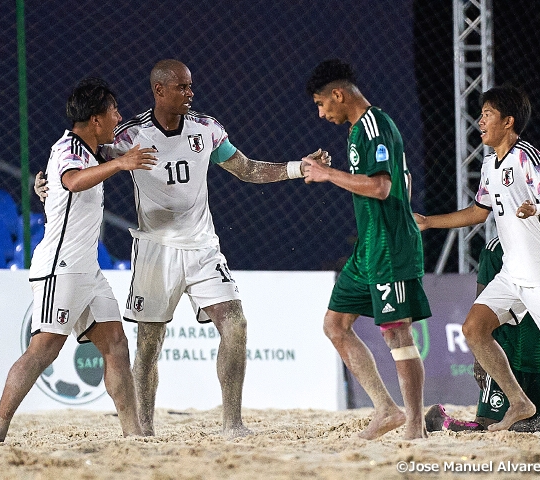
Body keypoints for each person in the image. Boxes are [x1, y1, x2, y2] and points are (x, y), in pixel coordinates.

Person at [36, 59, 328, 438]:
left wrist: (297, 168)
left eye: (191, 87)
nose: (190, 94)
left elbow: (247, 169)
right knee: (149, 345)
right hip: (156, 250)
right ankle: (143, 430)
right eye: (182, 88)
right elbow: (79, 163)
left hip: (203, 247)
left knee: (235, 324)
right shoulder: (127, 136)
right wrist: (45, 186)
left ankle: (232, 424)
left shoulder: (207, 130)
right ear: (159, 91)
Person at [415, 85, 540, 433]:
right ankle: (519, 401)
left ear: (508, 121)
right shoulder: (489, 166)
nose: (480, 121)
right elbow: (476, 212)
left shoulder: (526, 157)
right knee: (474, 329)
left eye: (487, 114)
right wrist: (428, 222)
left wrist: (538, 207)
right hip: (512, 273)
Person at [0, 78, 157, 442]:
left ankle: (134, 435)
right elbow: (74, 181)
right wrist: (123, 163)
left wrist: (120, 158)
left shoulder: (90, 150)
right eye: (113, 112)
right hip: (60, 269)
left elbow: (67, 185)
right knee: (43, 350)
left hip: (87, 271)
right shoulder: (68, 150)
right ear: (95, 120)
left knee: (117, 345)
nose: (118, 117)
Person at [302, 59, 431, 440]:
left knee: (397, 334)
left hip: (389, 247)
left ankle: (415, 426)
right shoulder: (359, 129)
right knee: (335, 326)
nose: (321, 113)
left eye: (322, 104)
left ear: (338, 94)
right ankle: (386, 410)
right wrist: (331, 170)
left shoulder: (374, 125)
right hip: (369, 247)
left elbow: (381, 188)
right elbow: (397, 183)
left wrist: (328, 175)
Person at [425, 237, 540, 433]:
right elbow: (480, 309)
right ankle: (439, 420)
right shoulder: (496, 249)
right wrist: (480, 357)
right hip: (507, 355)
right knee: (490, 427)